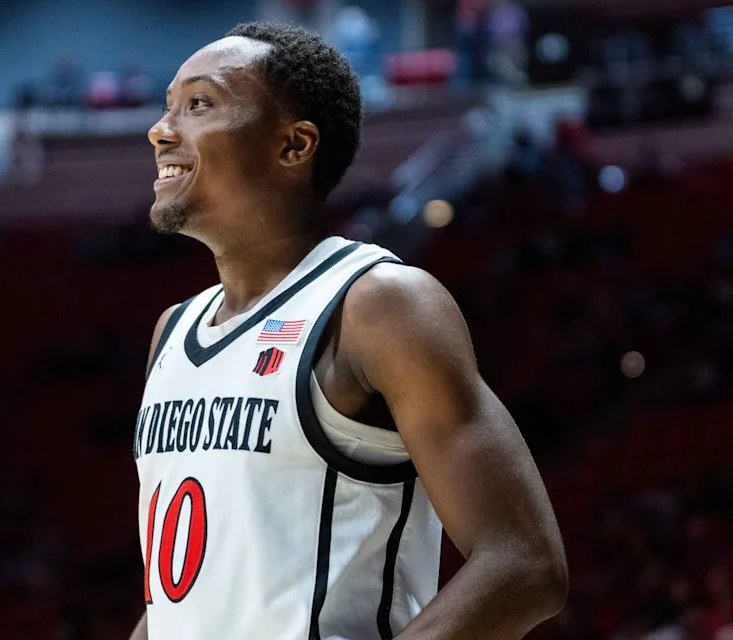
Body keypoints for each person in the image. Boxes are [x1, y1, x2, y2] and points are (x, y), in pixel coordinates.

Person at [131, 21, 567, 640]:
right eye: (168, 107)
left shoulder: (380, 304)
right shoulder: (172, 332)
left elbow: (524, 563)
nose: (161, 129)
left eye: (198, 104)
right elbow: (193, 600)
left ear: (294, 145)